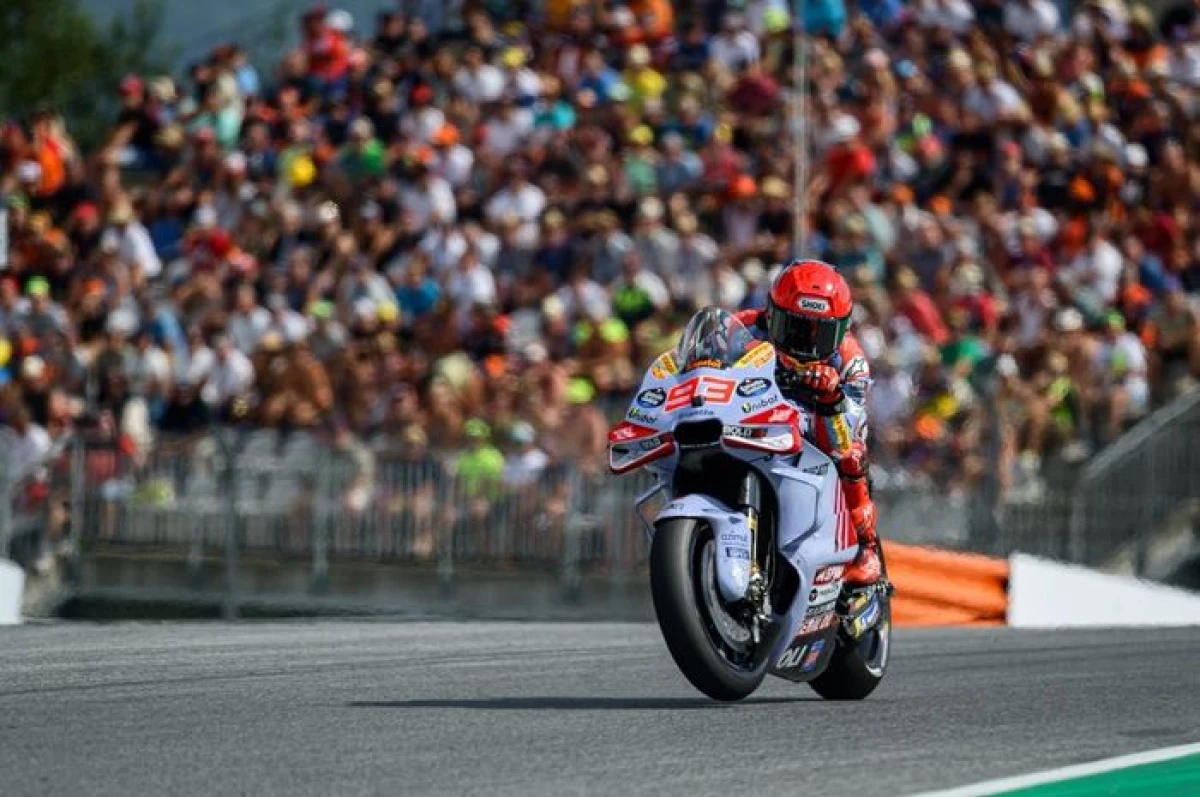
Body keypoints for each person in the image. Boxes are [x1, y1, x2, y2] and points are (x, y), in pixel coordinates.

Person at [734, 260, 880, 586]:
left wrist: (829, 396)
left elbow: (848, 434)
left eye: (820, 333)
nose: (806, 345)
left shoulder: (850, 361)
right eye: (795, 329)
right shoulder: (743, 327)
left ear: (840, 329)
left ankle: (865, 548)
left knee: (852, 454)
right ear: (772, 315)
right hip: (749, 417)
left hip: (814, 429)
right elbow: (701, 358)